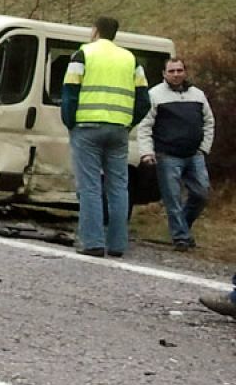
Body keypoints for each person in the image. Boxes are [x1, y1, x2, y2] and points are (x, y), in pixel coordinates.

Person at [63, 16, 151, 257]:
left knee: (90, 186)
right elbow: (144, 101)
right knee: (118, 187)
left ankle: (92, 242)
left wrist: (70, 122)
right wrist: (127, 122)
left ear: (95, 31)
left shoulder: (82, 55)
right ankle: (117, 245)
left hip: (87, 128)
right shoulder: (131, 59)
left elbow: (70, 93)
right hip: (119, 130)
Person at [138, 57, 214, 251]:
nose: (176, 74)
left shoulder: (197, 95)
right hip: (167, 155)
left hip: (194, 154)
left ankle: (184, 228)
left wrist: (203, 148)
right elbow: (145, 126)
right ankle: (180, 238)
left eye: (179, 70)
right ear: (164, 74)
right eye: (171, 71)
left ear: (185, 72)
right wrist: (146, 152)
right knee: (173, 198)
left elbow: (209, 122)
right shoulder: (154, 95)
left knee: (202, 193)